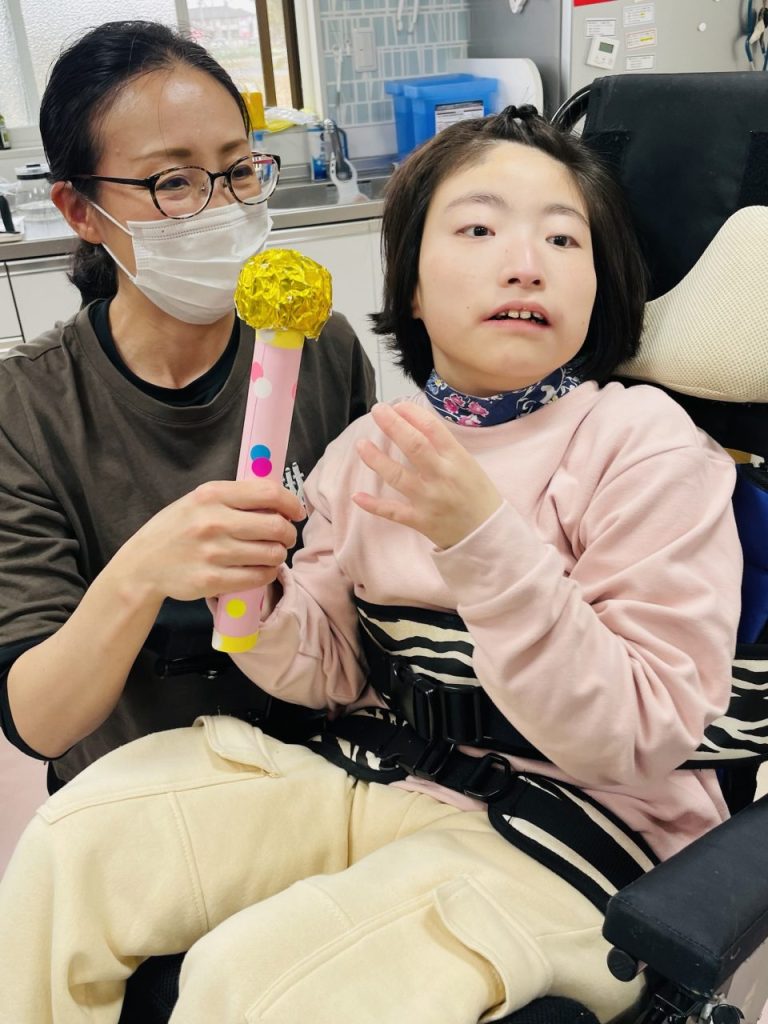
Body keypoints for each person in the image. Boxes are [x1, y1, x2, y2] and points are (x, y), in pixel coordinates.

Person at [0, 106, 741, 1024]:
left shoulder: (640, 445)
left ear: (602, 285)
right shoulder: (367, 449)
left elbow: (640, 733)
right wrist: (258, 600)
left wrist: (483, 543)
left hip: (576, 835)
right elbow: (332, 676)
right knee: (77, 847)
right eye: (478, 230)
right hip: (378, 771)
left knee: (252, 985)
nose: (526, 263)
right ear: (413, 288)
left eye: (563, 238)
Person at [0, 21, 376, 792]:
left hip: (314, 776)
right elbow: (39, 721)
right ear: (79, 210)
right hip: (134, 799)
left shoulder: (321, 348)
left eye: (238, 171)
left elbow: (366, 583)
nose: (221, 207)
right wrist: (142, 573)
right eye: (173, 183)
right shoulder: (25, 409)